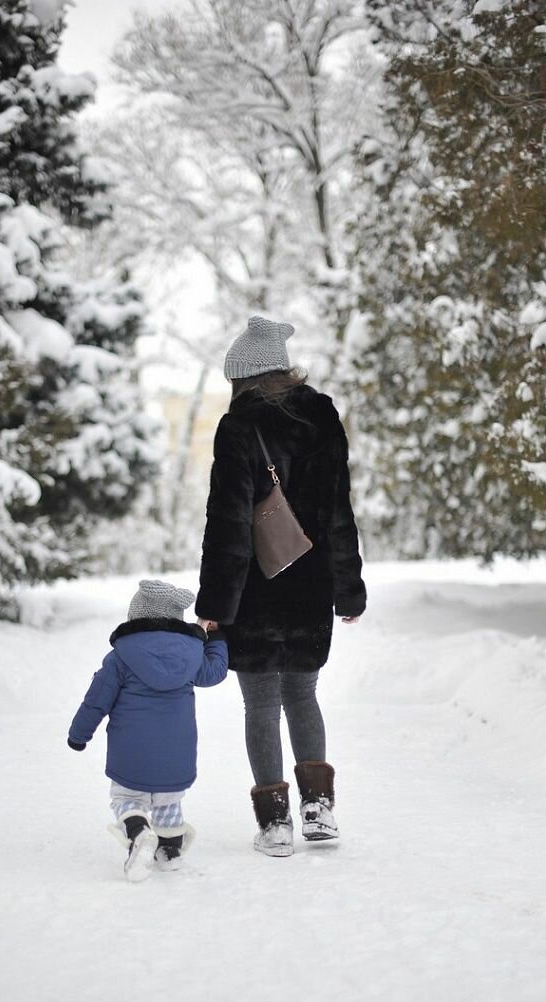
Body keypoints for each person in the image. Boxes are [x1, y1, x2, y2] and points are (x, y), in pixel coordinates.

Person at [196, 316, 366, 857]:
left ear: (244, 378)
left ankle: (275, 824)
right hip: (311, 583)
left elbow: (226, 525)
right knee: (303, 694)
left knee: (261, 706)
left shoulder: (238, 428)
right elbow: (339, 509)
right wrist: (348, 587)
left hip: (256, 588)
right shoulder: (323, 417)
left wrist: (215, 605)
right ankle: (319, 811)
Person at [67, 579, 228, 881]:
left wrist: (79, 735)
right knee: (169, 800)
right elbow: (216, 672)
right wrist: (215, 636)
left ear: (136, 616)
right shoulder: (193, 653)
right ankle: (169, 851)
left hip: (130, 753)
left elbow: (96, 701)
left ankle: (139, 832)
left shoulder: (120, 656)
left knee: (126, 798)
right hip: (176, 755)